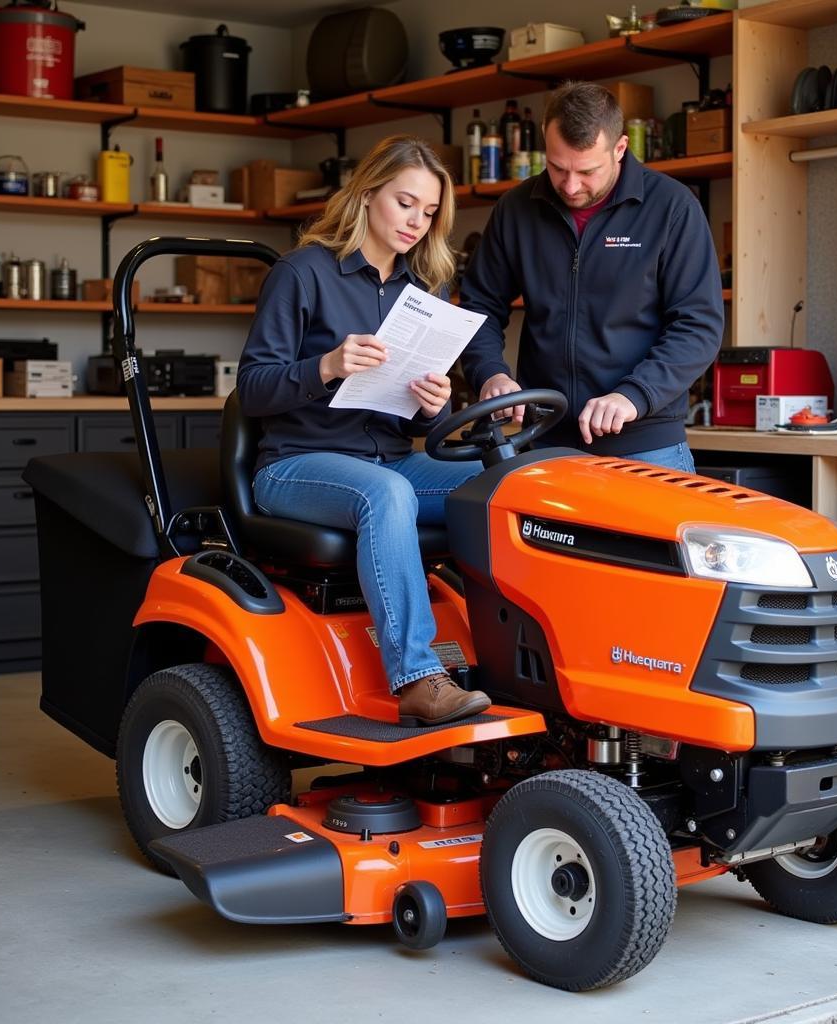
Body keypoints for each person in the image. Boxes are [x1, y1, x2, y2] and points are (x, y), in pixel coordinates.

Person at [237, 135, 491, 726]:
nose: (417, 223)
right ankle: (417, 678)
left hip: (390, 457)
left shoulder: (421, 288)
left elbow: (415, 408)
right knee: (387, 494)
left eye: (429, 214)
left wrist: (435, 405)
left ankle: (507, 655)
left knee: (498, 484)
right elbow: (252, 387)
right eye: (406, 204)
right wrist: (326, 366)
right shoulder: (302, 273)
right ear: (368, 191)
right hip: (297, 464)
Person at [460, 81, 724, 473]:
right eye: (556, 167)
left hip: (644, 443)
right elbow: (479, 305)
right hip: (542, 442)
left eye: (586, 171)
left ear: (620, 149)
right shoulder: (516, 209)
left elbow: (699, 325)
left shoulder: (672, 207)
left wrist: (633, 395)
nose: (570, 186)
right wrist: (490, 374)